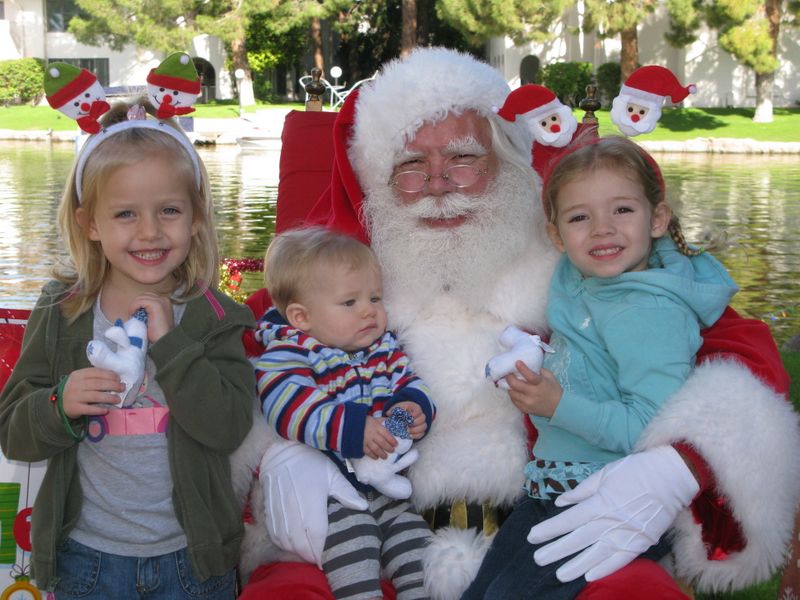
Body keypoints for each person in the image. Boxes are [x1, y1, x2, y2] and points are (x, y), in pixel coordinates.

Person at [235, 47, 799, 600]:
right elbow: (230, 362)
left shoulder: (575, 252)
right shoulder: (333, 275)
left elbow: (734, 347)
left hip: (557, 528)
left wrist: (680, 464)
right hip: (370, 539)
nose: (437, 186)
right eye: (410, 167)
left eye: (462, 159)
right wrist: (285, 452)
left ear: (504, 161)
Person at [461, 135, 739, 600]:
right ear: (556, 235)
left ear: (659, 219)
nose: (601, 229)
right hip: (552, 490)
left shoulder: (648, 313)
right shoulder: (581, 276)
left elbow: (653, 428)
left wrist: (559, 404)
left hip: (612, 504)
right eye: (579, 218)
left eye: (622, 210)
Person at [0, 99, 255, 598]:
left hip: (194, 562)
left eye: (169, 210)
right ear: (89, 224)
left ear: (196, 217)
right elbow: (14, 432)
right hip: (86, 561)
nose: (149, 232)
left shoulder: (214, 316)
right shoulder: (62, 311)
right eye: (124, 214)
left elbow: (228, 427)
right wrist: (60, 403)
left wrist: (174, 345)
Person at [254, 227, 435, 600]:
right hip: (332, 493)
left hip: (390, 488)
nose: (369, 310)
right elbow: (288, 407)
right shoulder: (289, 353)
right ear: (301, 317)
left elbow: (410, 381)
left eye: (375, 297)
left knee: (417, 546)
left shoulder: (383, 349)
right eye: (350, 303)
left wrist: (412, 407)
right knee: (355, 548)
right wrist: (353, 429)